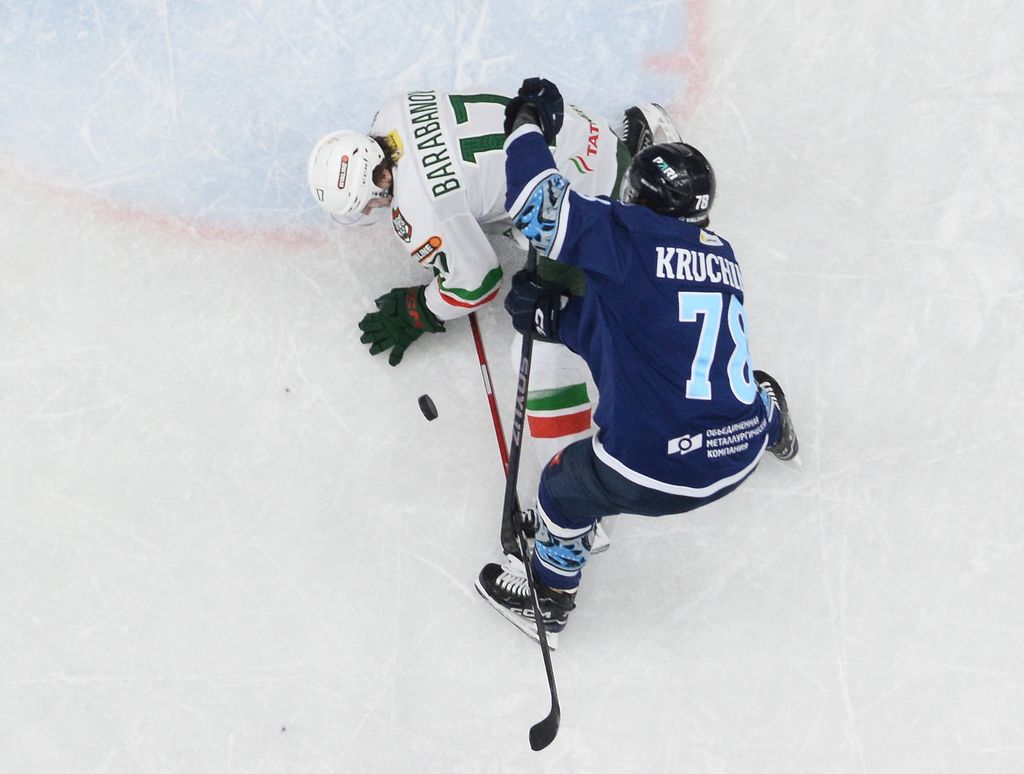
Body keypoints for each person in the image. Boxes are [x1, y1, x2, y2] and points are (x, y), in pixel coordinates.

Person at [474, 78, 800, 648]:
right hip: (740, 448)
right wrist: (559, 320)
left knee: (564, 488)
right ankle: (775, 427)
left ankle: (549, 598)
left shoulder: (626, 238)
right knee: (750, 387)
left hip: (656, 472)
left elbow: (534, 207)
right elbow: (643, 333)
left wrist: (527, 122)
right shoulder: (722, 253)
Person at [307, 89, 681, 505]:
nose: (367, 212)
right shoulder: (393, 109)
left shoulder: (419, 210)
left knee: (544, 344)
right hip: (587, 136)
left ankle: (574, 496)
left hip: (586, 199)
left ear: (380, 180)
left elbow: (478, 283)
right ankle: (641, 166)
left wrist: (420, 309)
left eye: (365, 204)